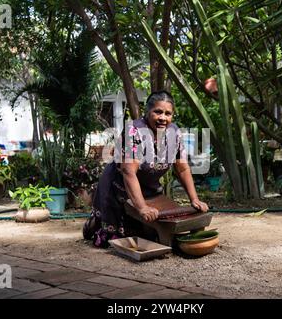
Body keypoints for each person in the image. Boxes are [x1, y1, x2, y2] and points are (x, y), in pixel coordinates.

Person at [83, 90, 208, 248]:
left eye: (168, 113)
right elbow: (128, 172)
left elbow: (182, 169)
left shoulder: (174, 132)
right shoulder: (134, 131)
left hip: (148, 189)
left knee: (149, 235)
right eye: (158, 112)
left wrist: (194, 199)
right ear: (147, 112)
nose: (163, 117)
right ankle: (92, 224)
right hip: (118, 187)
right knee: (115, 238)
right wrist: (141, 207)